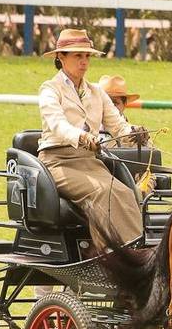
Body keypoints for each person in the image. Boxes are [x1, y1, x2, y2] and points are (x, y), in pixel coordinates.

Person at [37, 29, 150, 250]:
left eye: (87, 56)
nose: (84, 61)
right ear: (61, 57)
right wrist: (82, 137)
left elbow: (118, 126)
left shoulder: (97, 92)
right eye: (78, 56)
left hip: (90, 162)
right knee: (102, 192)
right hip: (57, 162)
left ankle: (135, 250)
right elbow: (58, 125)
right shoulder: (50, 89)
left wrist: (135, 132)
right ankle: (113, 256)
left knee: (126, 193)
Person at [99, 74, 157, 193]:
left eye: (114, 103)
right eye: (106, 103)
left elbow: (148, 170)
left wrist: (139, 192)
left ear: (124, 105)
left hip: (129, 187)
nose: (110, 108)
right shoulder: (85, 131)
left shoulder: (138, 133)